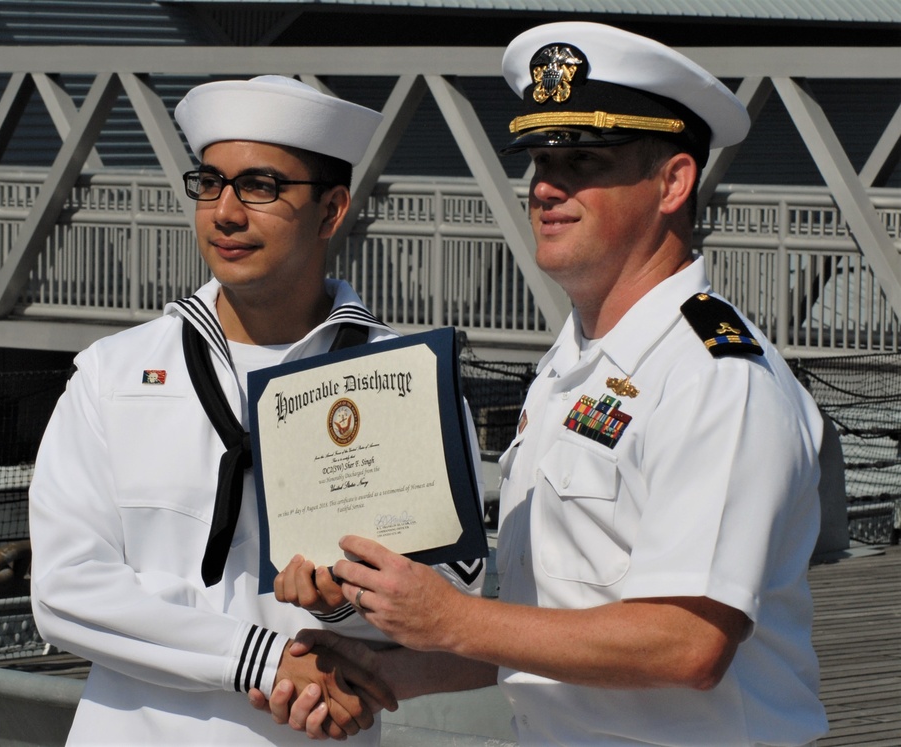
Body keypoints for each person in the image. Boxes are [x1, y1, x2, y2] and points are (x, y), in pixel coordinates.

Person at [264, 22, 829, 746]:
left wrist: (454, 618)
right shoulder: (571, 364)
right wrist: (392, 668)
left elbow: (687, 642)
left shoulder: (714, 376)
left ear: (674, 182)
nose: (548, 188)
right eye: (539, 160)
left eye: (586, 160)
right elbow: (557, 622)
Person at [29, 74, 484, 745]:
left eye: (261, 186)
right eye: (210, 183)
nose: (226, 212)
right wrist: (262, 656)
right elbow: (65, 592)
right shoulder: (112, 374)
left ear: (331, 211)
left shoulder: (409, 381)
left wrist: (341, 609)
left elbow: (453, 599)